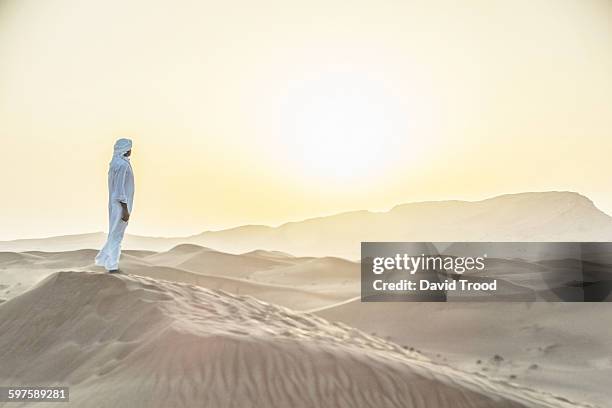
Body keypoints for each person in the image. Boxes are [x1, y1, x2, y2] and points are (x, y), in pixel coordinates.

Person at [95, 138, 135, 273]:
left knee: (114, 233)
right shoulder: (122, 165)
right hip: (120, 204)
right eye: (130, 147)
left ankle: (102, 259)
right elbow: (119, 190)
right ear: (125, 149)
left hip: (114, 203)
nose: (131, 150)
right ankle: (112, 265)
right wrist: (125, 209)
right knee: (117, 234)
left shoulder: (115, 163)